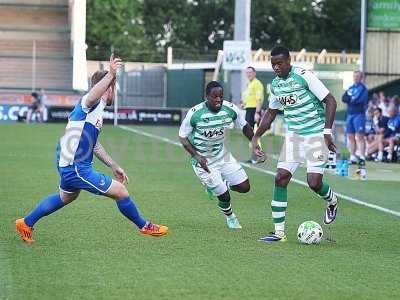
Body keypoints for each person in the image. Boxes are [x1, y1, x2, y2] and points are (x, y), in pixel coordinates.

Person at [15, 54, 168, 244]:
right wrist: (111, 74)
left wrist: (113, 165)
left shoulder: (96, 111)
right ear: (108, 88)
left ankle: (26, 223)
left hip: (69, 163)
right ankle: (144, 226)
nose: (115, 92)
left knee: (66, 197)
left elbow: (93, 144)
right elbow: (92, 95)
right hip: (76, 167)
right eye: (113, 87)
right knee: (121, 191)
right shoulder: (90, 103)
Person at [251, 46, 338, 243]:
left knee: (314, 183)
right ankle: (278, 233)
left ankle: (332, 201)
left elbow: (331, 101)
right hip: (295, 137)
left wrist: (327, 132)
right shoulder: (275, 85)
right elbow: (271, 113)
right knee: (281, 177)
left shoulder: (304, 76)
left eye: (279, 63)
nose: (276, 67)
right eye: (273, 64)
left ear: (289, 61)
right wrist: (256, 137)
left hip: (316, 135)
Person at [179, 81, 255, 229]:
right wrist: (197, 156)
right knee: (224, 195)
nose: (219, 99)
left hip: (222, 155)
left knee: (245, 187)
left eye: (221, 96)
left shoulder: (230, 109)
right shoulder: (195, 114)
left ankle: (221, 185)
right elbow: (182, 136)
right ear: (206, 97)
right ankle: (231, 217)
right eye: (214, 97)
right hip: (203, 162)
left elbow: (244, 126)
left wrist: (255, 143)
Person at [342, 71, 368, 164]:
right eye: (354, 76)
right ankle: (352, 156)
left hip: (359, 114)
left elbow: (358, 100)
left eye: (357, 76)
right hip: (350, 114)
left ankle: (362, 157)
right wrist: (351, 99)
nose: (355, 78)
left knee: (360, 136)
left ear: (361, 77)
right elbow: (344, 98)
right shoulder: (351, 87)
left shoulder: (363, 88)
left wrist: (350, 99)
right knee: (350, 136)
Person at [241, 66, 265, 164]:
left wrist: (257, 113)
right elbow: (249, 98)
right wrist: (244, 104)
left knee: (254, 135)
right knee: (250, 134)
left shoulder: (257, 84)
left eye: (250, 72)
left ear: (254, 73)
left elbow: (259, 99)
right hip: (249, 110)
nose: (248, 74)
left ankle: (258, 156)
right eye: (247, 73)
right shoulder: (249, 84)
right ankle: (255, 156)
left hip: (254, 111)